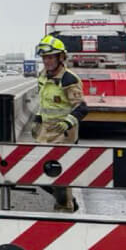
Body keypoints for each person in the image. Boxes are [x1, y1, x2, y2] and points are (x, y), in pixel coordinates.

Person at [34, 35, 88, 212]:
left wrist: (67, 123)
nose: (47, 61)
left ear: (60, 57)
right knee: (37, 173)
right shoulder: (42, 76)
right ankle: (67, 201)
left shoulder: (68, 80)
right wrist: (37, 120)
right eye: (44, 58)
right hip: (45, 133)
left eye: (51, 57)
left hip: (63, 135)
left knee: (59, 177)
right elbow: (45, 103)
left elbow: (82, 108)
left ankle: (65, 209)